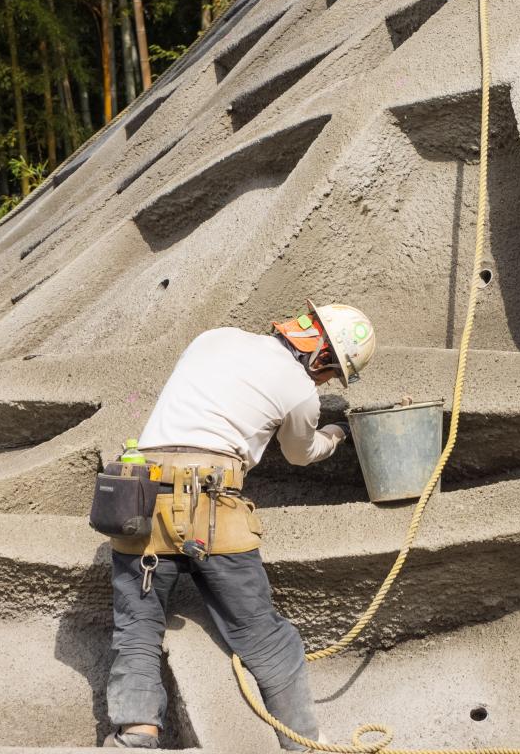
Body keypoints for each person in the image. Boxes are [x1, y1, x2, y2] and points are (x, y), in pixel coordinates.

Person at [103, 304, 379, 750]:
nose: (325, 382)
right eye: (332, 374)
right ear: (323, 358)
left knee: (137, 627)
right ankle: (304, 743)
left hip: (140, 497)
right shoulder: (299, 390)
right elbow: (299, 453)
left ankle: (136, 736)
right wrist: (334, 435)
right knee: (265, 636)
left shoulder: (214, 337)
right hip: (214, 505)